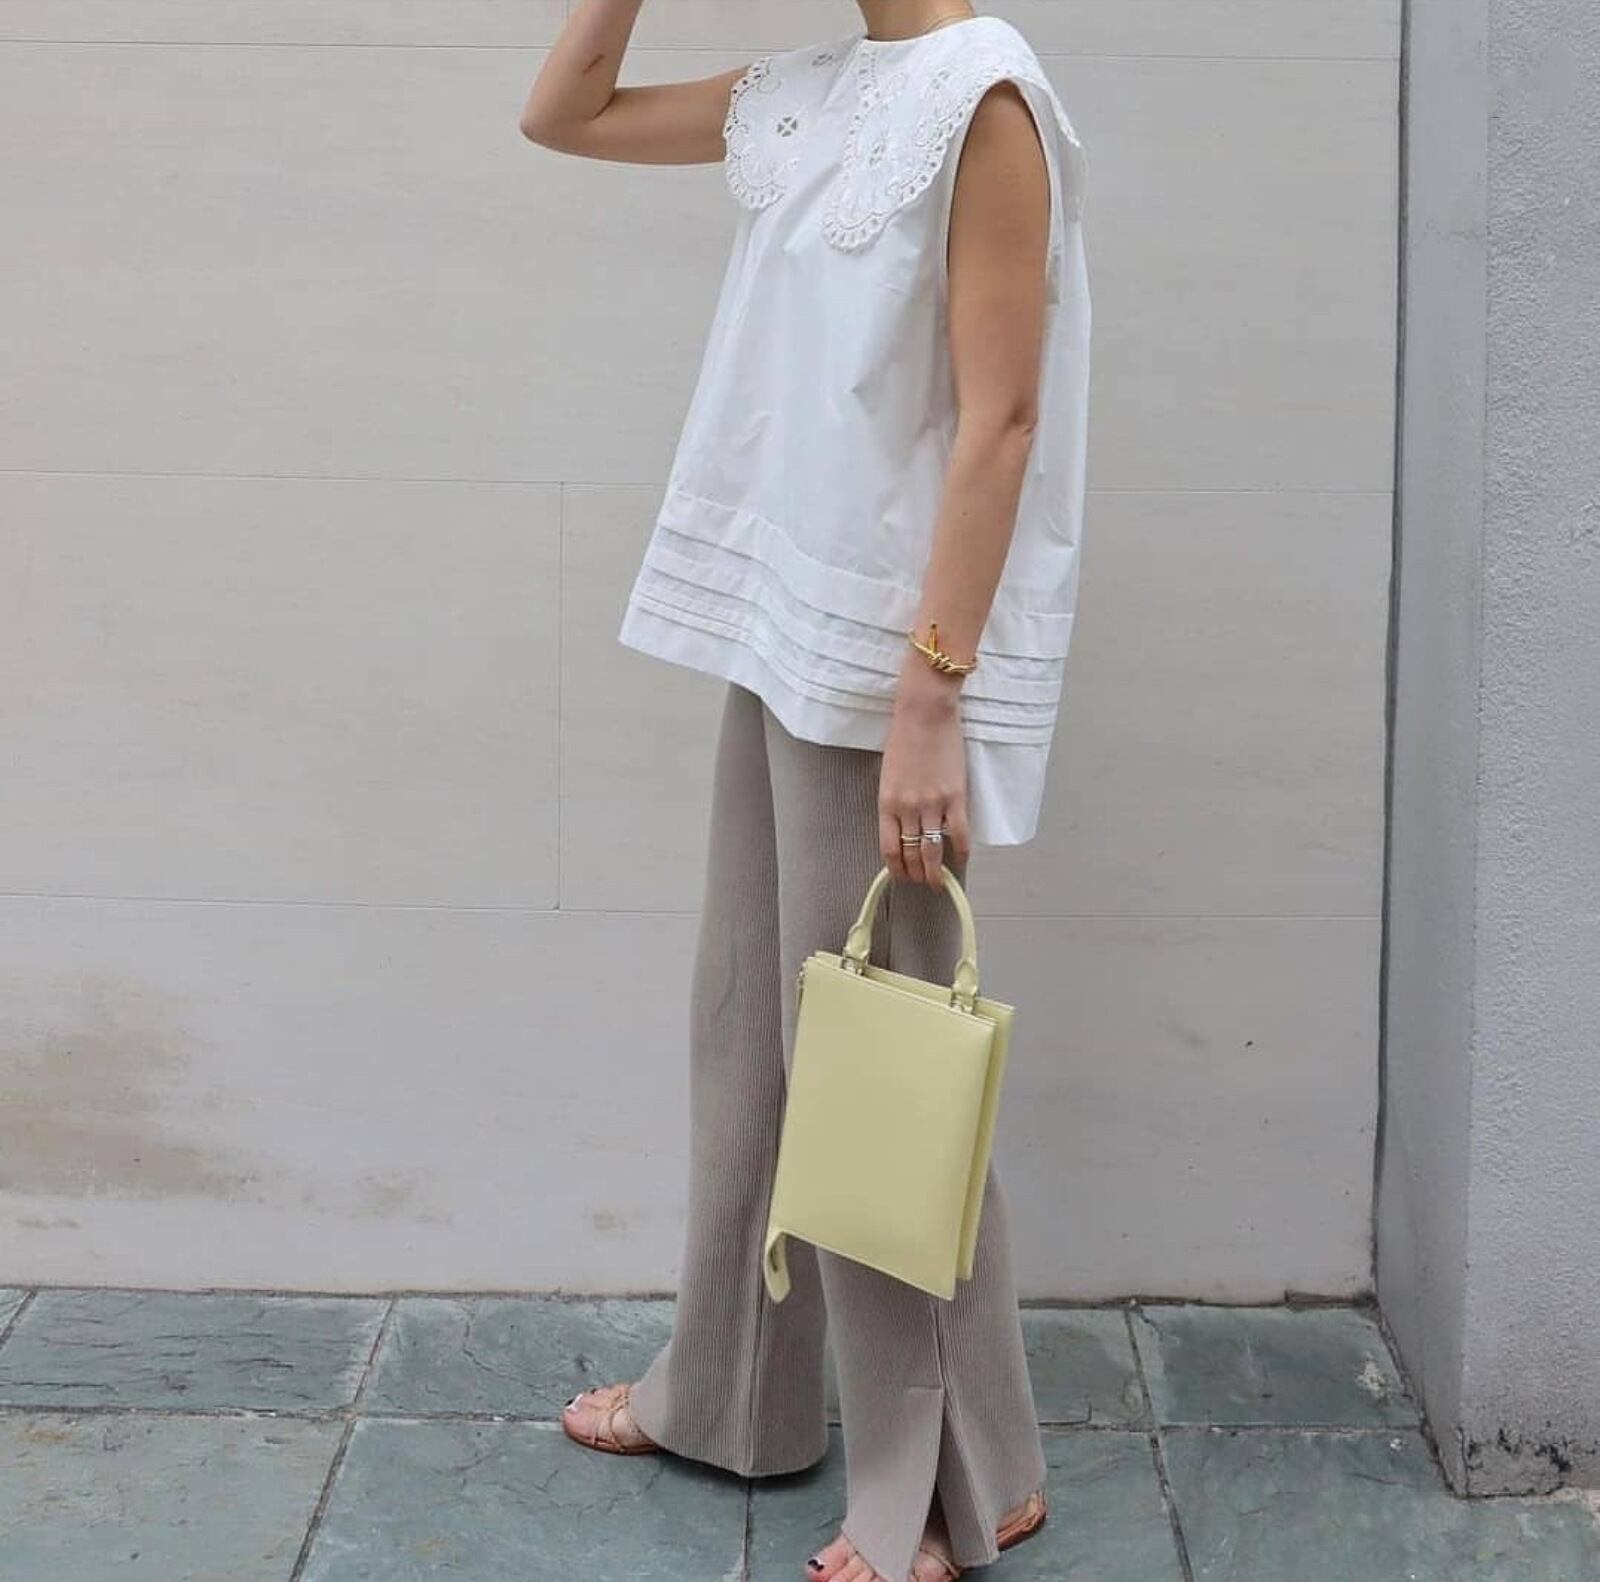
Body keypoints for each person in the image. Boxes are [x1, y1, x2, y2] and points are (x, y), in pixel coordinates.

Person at [519, 3, 1090, 1578]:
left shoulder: (986, 96)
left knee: (879, 1072)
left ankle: (955, 1478)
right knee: (752, 1040)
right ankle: (731, 1395)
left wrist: (931, 696)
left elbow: (1005, 418)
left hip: (881, 667)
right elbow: (562, 113)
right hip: (785, 630)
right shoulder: (814, 93)